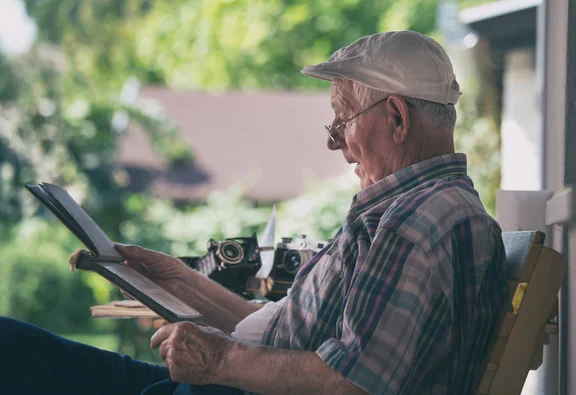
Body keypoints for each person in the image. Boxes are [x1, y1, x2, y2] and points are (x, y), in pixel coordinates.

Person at [0, 31, 509, 395]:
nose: (336, 145)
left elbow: (352, 381)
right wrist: (178, 280)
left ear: (397, 118)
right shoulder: (407, 211)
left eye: (342, 123)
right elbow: (275, 331)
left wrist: (218, 360)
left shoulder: (416, 222)